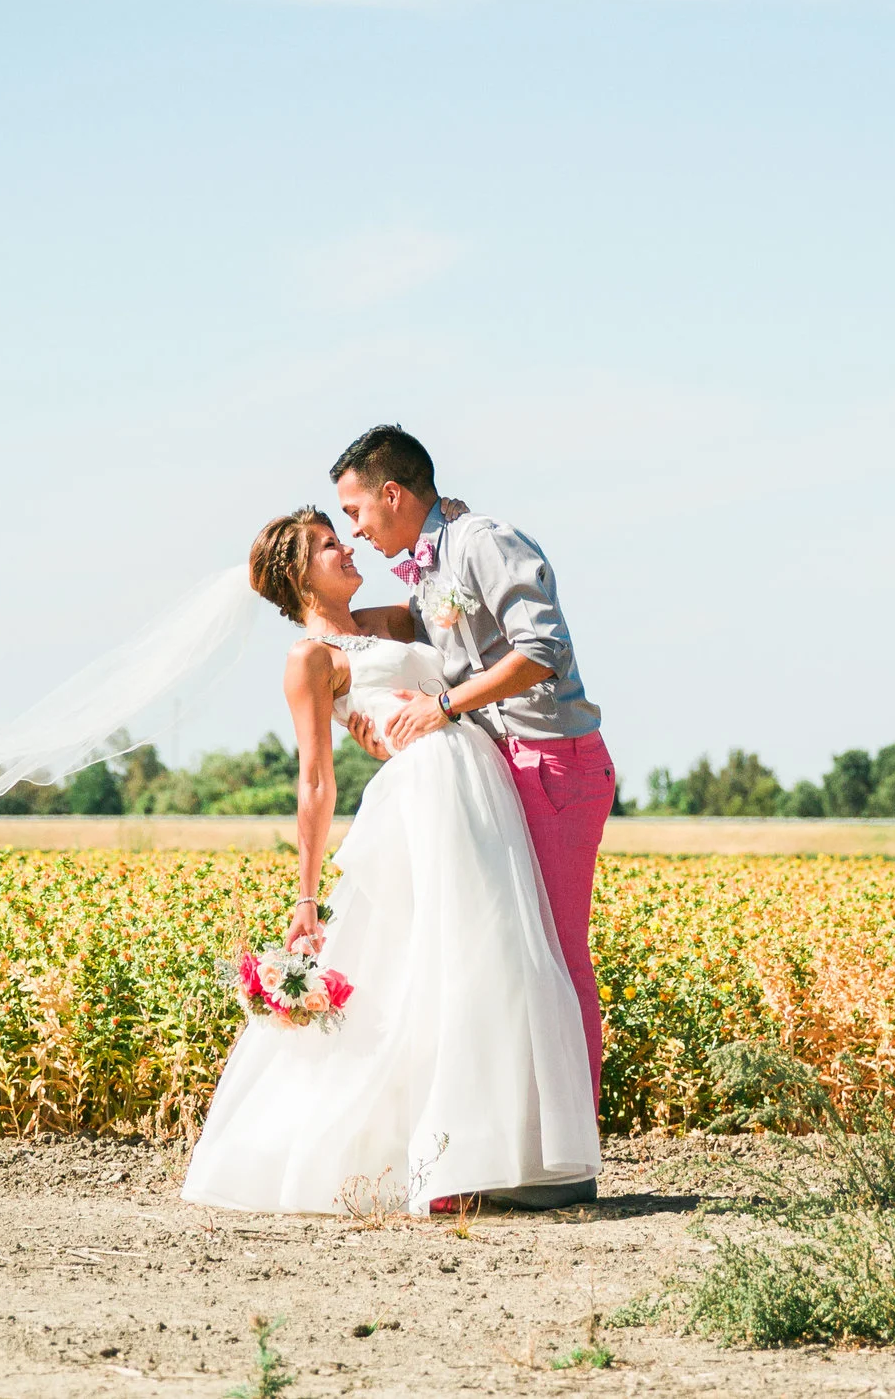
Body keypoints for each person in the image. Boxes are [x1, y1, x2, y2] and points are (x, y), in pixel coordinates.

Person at [176, 508, 600, 1216]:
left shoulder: (392, 619)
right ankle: (439, 1160)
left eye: (342, 534)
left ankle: (505, 1154)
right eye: (327, 545)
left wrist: (452, 524)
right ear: (297, 577)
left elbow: (453, 630)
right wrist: (306, 897)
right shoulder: (308, 659)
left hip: (480, 778)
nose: (347, 547)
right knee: (439, 962)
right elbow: (316, 780)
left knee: (498, 955)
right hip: (425, 793)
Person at [330, 425, 615, 1128]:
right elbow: (416, 636)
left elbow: (542, 650)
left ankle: (575, 1141)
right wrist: (326, 638)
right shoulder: (429, 564)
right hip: (498, 769)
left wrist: (444, 707)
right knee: (509, 957)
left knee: (557, 957)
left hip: (552, 761)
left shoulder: (483, 541)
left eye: (356, 511)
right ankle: (527, 1133)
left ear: (391, 494)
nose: (355, 530)